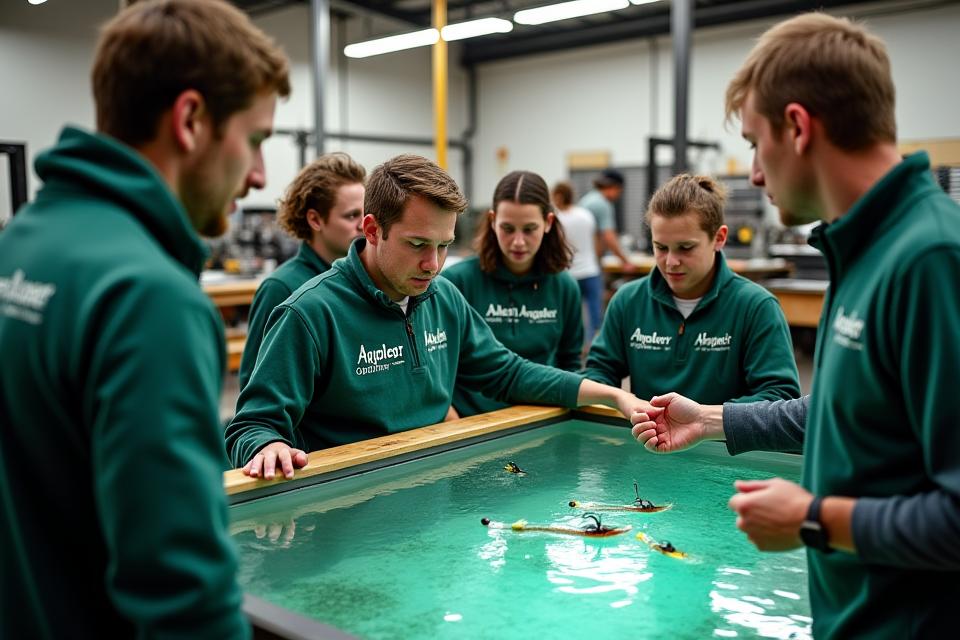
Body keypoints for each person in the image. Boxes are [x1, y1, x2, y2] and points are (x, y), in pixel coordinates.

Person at [630, 13, 960, 638]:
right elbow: (844, 413)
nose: (754, 172)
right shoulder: (868, 251)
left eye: (755, 143)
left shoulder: (930, 261)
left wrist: (815, 520)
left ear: (798, 127)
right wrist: (709, 419)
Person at [0, 1, 290, 637]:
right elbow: (180, 594)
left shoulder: (19, 245)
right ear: (190, 120)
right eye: (257, 139)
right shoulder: (149, 298)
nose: (260, 175)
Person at [225, 154, 650, 480]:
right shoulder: (309, 313)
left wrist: (610, 395)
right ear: (372, 230)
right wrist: (267, 445)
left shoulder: (443, 297)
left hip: (435, 484)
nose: (433, 264)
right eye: (416, 244)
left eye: (444, 245)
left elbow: (507, 373)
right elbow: (252, 425)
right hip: (348, 501)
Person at [585, 173, 800, 404]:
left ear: (719, 238)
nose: (671, 261)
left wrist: (706, 421)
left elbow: (780, 398)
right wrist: (616, 398)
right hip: (646, 439)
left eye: (685, 248)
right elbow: (599, 375)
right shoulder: (628, 301)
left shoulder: (755, 307)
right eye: (661, 247)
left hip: (723, 440)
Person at [442, 170, 583, 417]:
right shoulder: (456, 282)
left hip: (542, 419)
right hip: (471, 424)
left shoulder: (565, 287)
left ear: (548, 222)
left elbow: (570, 364)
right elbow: (439, 367)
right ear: (493, 220)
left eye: (529, 229)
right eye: (508, 228)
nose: (518, 241)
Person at [239, 152, 365, 388]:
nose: (364, 224)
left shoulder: (364, 282)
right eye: (351, 216)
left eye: (365, 213)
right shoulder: (281, 288)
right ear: (315, 220)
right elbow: (255, 386)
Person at [552, 180, 604, 343]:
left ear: (559, 196)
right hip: (591, 270)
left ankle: (575, 345)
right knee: (594, 312)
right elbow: (597, 242)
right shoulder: (586, 214)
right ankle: (593, 345)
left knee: (569, 314)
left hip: (568, 273)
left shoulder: (557, 219)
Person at [578, 168, 636, 272]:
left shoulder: (588, 199)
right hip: (590, 265)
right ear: (614, 187)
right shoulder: (602, 204)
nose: (619, 195)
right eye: (619, 191)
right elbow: (609, 236)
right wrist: (626, 261)